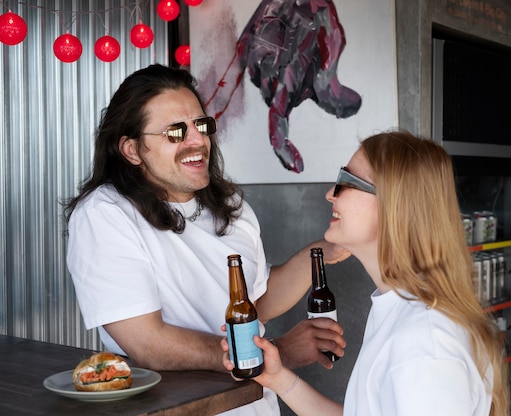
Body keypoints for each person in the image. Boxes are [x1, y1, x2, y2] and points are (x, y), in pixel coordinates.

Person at [64, 64, 347, 415]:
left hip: (256, 405)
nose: (197, 140)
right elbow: (147, 343)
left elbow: (253, 302)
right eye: (175, 132)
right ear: (132, 150)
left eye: (201, 125)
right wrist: (276, 352)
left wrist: (325, 250)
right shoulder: (106, 214)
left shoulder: (232, 207)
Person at [223, 131, 510, 416]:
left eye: (347, 182)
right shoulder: (400, 311)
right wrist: (278, 379)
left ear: (394, 206)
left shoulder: (424, 343)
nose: (330, 194)